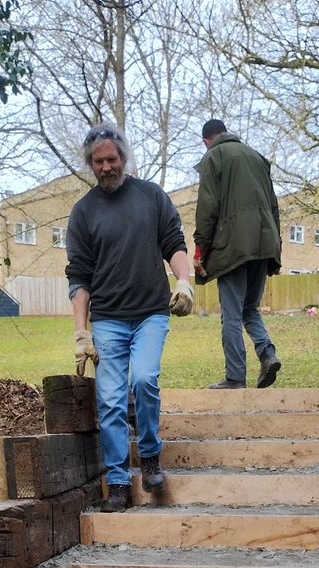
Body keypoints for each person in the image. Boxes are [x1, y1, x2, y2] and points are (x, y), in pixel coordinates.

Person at [66, 123, 194, 513]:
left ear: (124, 157)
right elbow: (79, 276)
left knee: (143, 379)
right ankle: (118, 482)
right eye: (98, 161)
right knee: (109, 400)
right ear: (90, 164)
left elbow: (173, 243)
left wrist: (185, 282)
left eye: (112, 158)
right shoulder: (83, 212)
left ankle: (151, 457)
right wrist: (80, 332)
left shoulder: (151, 196)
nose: (106, 166)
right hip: (107, 320)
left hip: (151, 314)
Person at [193, 119, 282, 390]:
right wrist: (276, 250)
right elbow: (274, 205)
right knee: (249, 309)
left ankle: (235, 377)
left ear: (207, 140)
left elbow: (208, 206)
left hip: (233, 246)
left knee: (231, 315)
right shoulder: (257, 157)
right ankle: (267, 353)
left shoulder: (214, 157)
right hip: (264, 244)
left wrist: (200, 250)